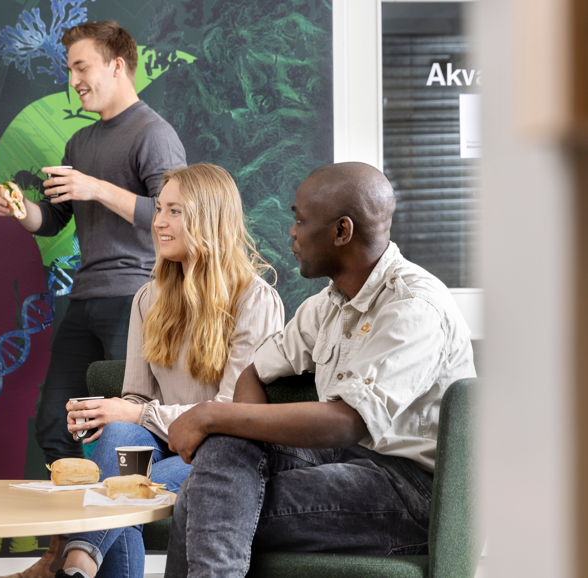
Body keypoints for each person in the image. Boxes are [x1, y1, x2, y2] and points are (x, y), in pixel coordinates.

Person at [162, 162, 477, 578]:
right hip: (342, 459)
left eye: (300, 220)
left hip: (410, 491)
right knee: (225, 446)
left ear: (341, 231)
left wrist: (210, 414)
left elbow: (346, 423)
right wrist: (239, 435)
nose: (291, 232)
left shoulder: (413, 308)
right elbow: (254, 371)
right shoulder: (328, 304)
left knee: (205, 498)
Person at [0, 22, 186, 576]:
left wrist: (94, 187)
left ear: (117, 65)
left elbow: (175, 216)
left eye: (81, 66)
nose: (72, 79)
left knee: (120, 442)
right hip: (84, 299)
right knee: (56, 426)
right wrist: (20, 209)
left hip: (140, 301)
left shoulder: (154, 134)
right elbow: (54, 219)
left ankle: (87, 559)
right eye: (69, 68)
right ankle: (65, 553)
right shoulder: (80, 142)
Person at [56, 164, 285, 578]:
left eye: (174, 211)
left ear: (209, 218)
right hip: (164, 441)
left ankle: (77, 563)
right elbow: (137, 398)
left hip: (224, 451)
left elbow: (232, 414)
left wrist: (137, 413)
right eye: (160, 209)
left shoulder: (255, 300)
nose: (158, 222)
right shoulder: (148, 298)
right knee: (119, 435)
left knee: (120, 482)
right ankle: (80, 565)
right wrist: (108, 414)